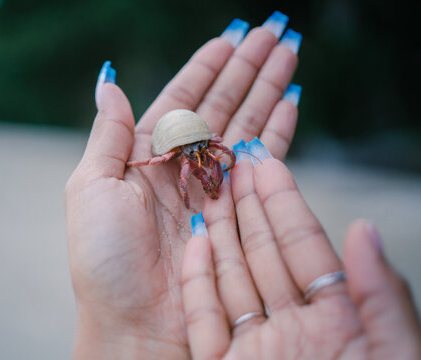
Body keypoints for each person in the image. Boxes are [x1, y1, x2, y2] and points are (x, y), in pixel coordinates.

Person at [65, 11, 421, 359]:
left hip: (195, 134)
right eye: (199, 152)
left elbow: (216, 148)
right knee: (193, 166)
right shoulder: (185, 157)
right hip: (179, 138)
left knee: (207, 159)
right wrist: (161, 176)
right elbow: (176, 166)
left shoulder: (206, 146)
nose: (204, 155)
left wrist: (231, 158)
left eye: (207, 150)